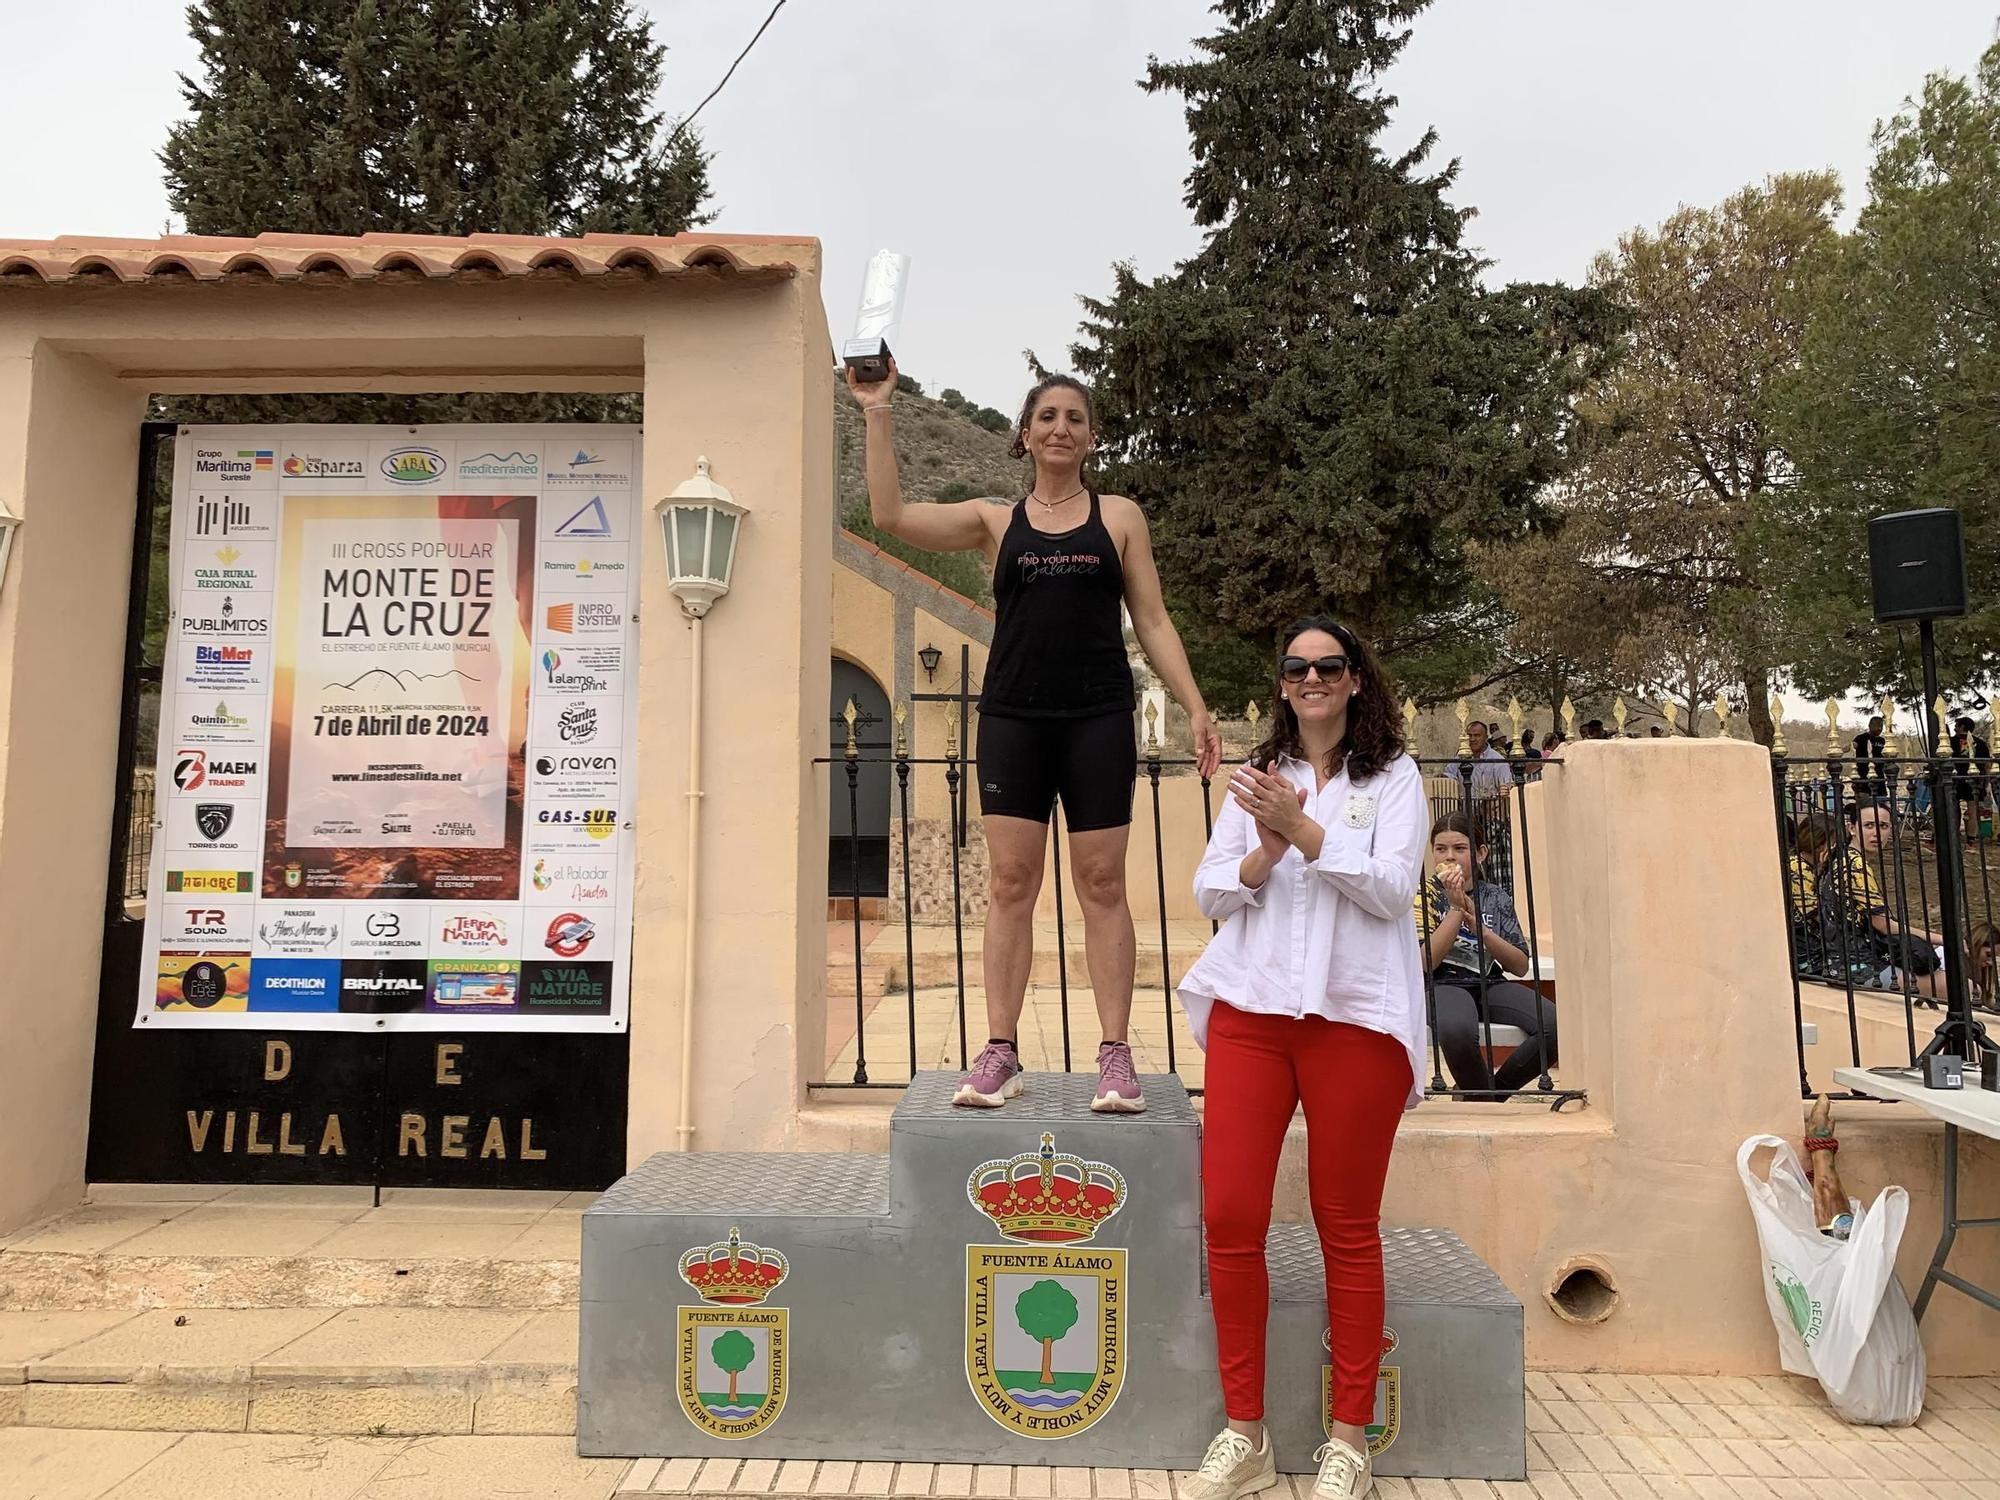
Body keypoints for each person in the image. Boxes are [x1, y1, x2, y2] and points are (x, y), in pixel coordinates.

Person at [850, 361, 1223, 1113]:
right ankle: (1000, 1051)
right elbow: (889, 515)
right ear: (1024, 435)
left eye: (1075, 418)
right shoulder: (994, 520)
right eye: (1046, 416)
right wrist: (879, 412)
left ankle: (1115, 1056)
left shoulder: (1120, 517)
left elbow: (1151, 620)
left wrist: (1196, 706)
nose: (1061, 427)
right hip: (1015, 718)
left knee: (1103, 884)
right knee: (1013, 884)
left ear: (1090, 438)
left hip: (1098, 717)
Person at [1174, 618, 1425, 1500]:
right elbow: (1209, 887)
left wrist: (1307, 836)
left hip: (1356, 1020)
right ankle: (1245, 1434)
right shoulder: (1258, 779)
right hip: (1253, 1011)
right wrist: (1263, 851)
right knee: (1232, 1216)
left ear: (1356, 680)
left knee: (1344, 1224)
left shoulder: (1395, 778)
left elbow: (1396, 890)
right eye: (1297, 667)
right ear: (1281, 684)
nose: (1312, 677)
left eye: (1329, 665)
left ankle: (1349, 1441)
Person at [1415, 812, 1558, 1095]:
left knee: (1555, 1026)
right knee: (1455, 1031)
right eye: (1441, 849)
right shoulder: (1423, 894)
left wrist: (1482, 931)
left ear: (1480, 853)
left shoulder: (1495, 896)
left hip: (1489, 982)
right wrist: (1456, 909)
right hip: (1443, 984)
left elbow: (1518, 965)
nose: (1450, 857)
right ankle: (1482, 1098)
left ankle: (1490, 1094)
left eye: (1460, 848)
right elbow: (1425, 961)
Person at [1834, 799, 1947, 1001]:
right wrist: (1940, 938)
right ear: (1852, 828)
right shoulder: (1854, 864)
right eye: (1869, 825)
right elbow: (1885, 925)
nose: (1877, 833)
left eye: (1883, 826)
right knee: (1967, 989)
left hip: (1857, 954)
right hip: (1857, 962)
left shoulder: (1847, 859)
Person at [1950, 716, 1992, 843]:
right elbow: (1987, 764)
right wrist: (1986, 781)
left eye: (1957, 725)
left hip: (1955, 779)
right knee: (1973, 810)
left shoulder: (1950, 742)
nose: (1954, 727)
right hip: (1975, 779)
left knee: (1953, 808)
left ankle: (1954, 834)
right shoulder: (1980, 743)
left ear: (1962, 726)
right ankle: (1971, 840)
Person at [1852, 716, 1886, 798]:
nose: (1879, 728)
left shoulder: (1882, 740)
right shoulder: (1861, 738)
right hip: (1864, 774)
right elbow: (1852, 746)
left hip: (1879, 775)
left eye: (1881, 726)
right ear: (1870, 726)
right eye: (1876, 726)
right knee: (1866, 800)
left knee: (1881, 800)